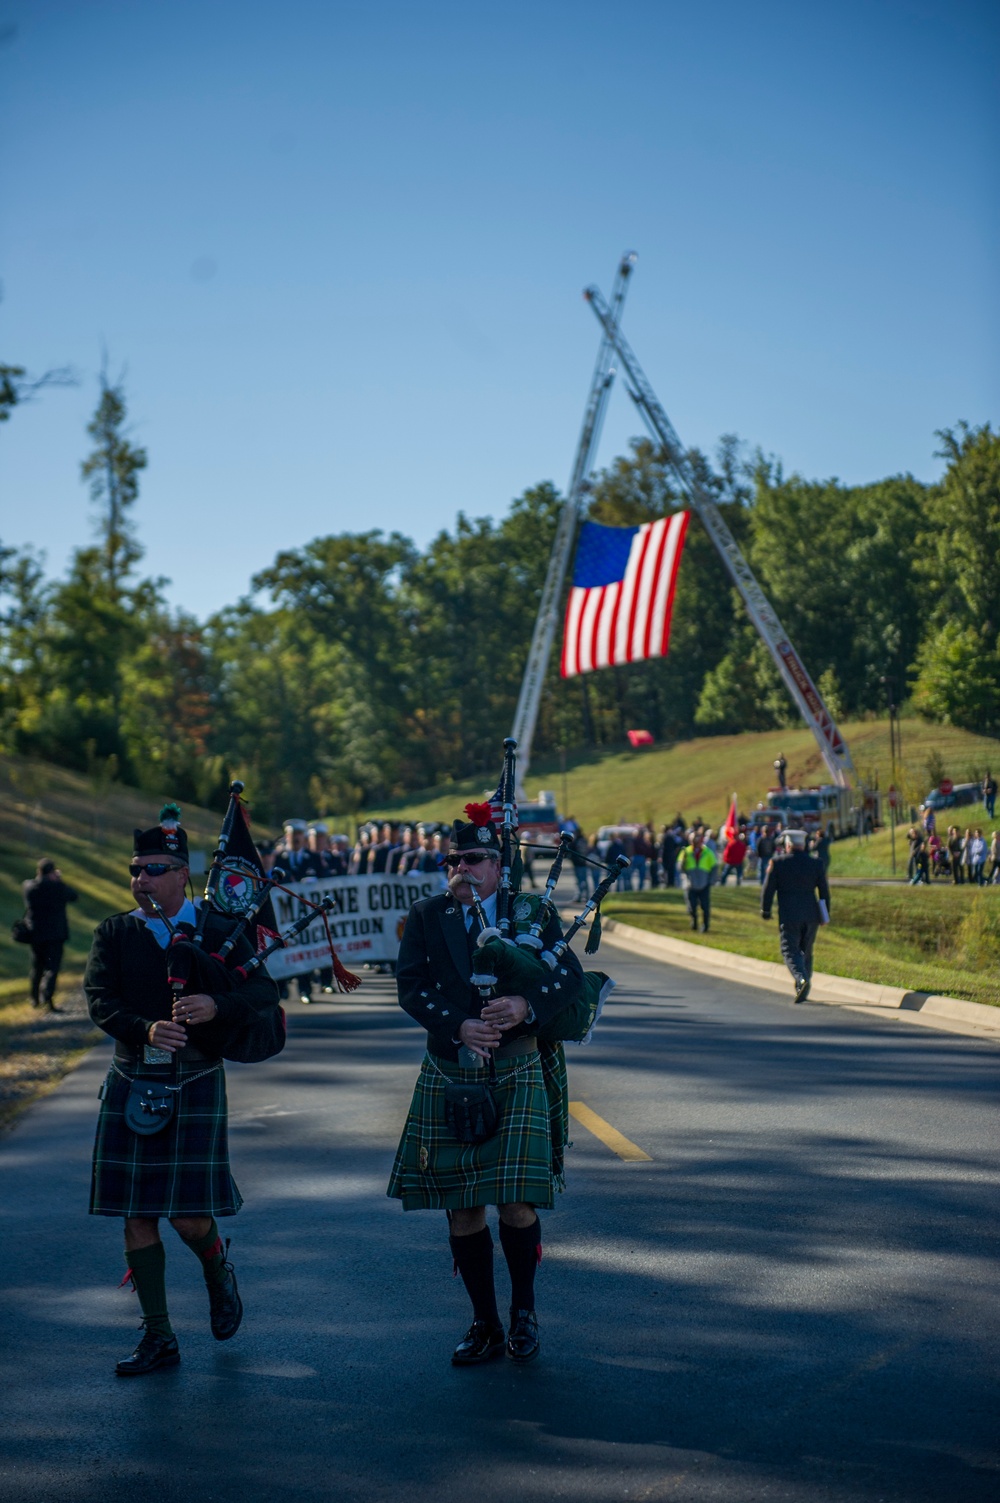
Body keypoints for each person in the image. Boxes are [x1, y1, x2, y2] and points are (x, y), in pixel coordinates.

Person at [85, 804, 281, 1376]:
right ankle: (159, 1337)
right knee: (137, 1215)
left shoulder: (222, 930)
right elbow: (101, 1001)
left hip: (194, 1077)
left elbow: (264, 995)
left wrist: (217, 1003)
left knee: (189, 1218)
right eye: (134, 869)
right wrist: (144, 1028)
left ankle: (218, 1273)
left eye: (151, 869)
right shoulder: (116, 932)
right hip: (132, 1077)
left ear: (180, 874)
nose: (139, 880)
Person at [387, 807, 584, 1367]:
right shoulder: (429, 914)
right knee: (463, 1207)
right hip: (454, 1071)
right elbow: (410, 986)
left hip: (518, 1066)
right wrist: (457, 1026)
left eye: (473, 859)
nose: (462, 869)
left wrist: (526, 1005)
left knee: (516, 1202)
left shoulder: (531, 912)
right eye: (454, 860)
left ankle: (524, 1312)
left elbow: (567, 976)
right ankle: (484, 1322)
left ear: (498, 866)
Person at [761, 828, 831, 1004]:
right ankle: (803, 985)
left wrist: (766, 910)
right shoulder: (816, 864)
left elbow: (768, 889)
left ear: (788, 845)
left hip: (789, 914)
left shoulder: (778, 863)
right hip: (811, 914)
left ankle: (801, 979)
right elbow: (824, 892)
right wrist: (825, 914)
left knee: (790, 950)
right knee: (806, 950)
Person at [21, 858, 78, 1010]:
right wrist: (59, 880)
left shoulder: (30, 887)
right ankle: (47, 999)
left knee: (37, 967)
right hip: (55, 935)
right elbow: (73, 896)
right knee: (52, 968)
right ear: (52, 872)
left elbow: (28, 883)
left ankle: (34, 999)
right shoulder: (57, 887)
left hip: (36, 934)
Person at [678, 829, 717, 932]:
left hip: (704, 884)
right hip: (690, 884)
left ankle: (705, 926)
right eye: (693, 841)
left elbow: (714, 867)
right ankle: (694, 921)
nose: (695, 844)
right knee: (692, 906)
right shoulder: (686, 852)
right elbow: (680, 867)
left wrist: (711, 881)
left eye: (697, 841)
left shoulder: (707, 852)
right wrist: (683, 861)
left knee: (705, 907)